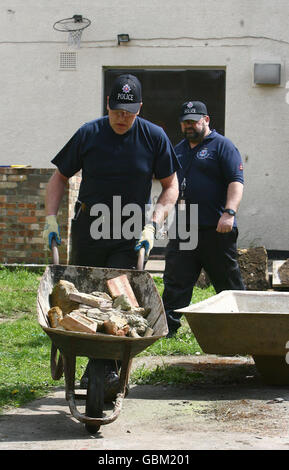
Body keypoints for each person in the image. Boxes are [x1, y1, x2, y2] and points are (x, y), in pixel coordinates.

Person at [43, 73, 180, 400]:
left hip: (129, 232)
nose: (122, 117)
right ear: (108, 104)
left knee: (117, 298)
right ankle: (95, 363)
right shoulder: (89, 133)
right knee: (82, 297)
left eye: (129, 111)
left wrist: (153, 223)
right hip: (89, 227)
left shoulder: (154, 137)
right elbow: (59, 177)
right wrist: (51, 218)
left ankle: (103, 368)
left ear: (140, 108)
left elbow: (171, 186)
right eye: (117, 109)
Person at [162, 100, 245, 337]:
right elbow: (171, 186)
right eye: (185, 122)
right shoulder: (177, 150)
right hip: (184, 229)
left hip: (216, 228)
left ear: (206, 120)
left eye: (193, 121)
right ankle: (167, 328)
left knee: (227, 282)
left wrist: (229, 212)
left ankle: (240, 327)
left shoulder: (223, 146)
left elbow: (236, 182)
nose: (189, 126)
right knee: (175, 281)